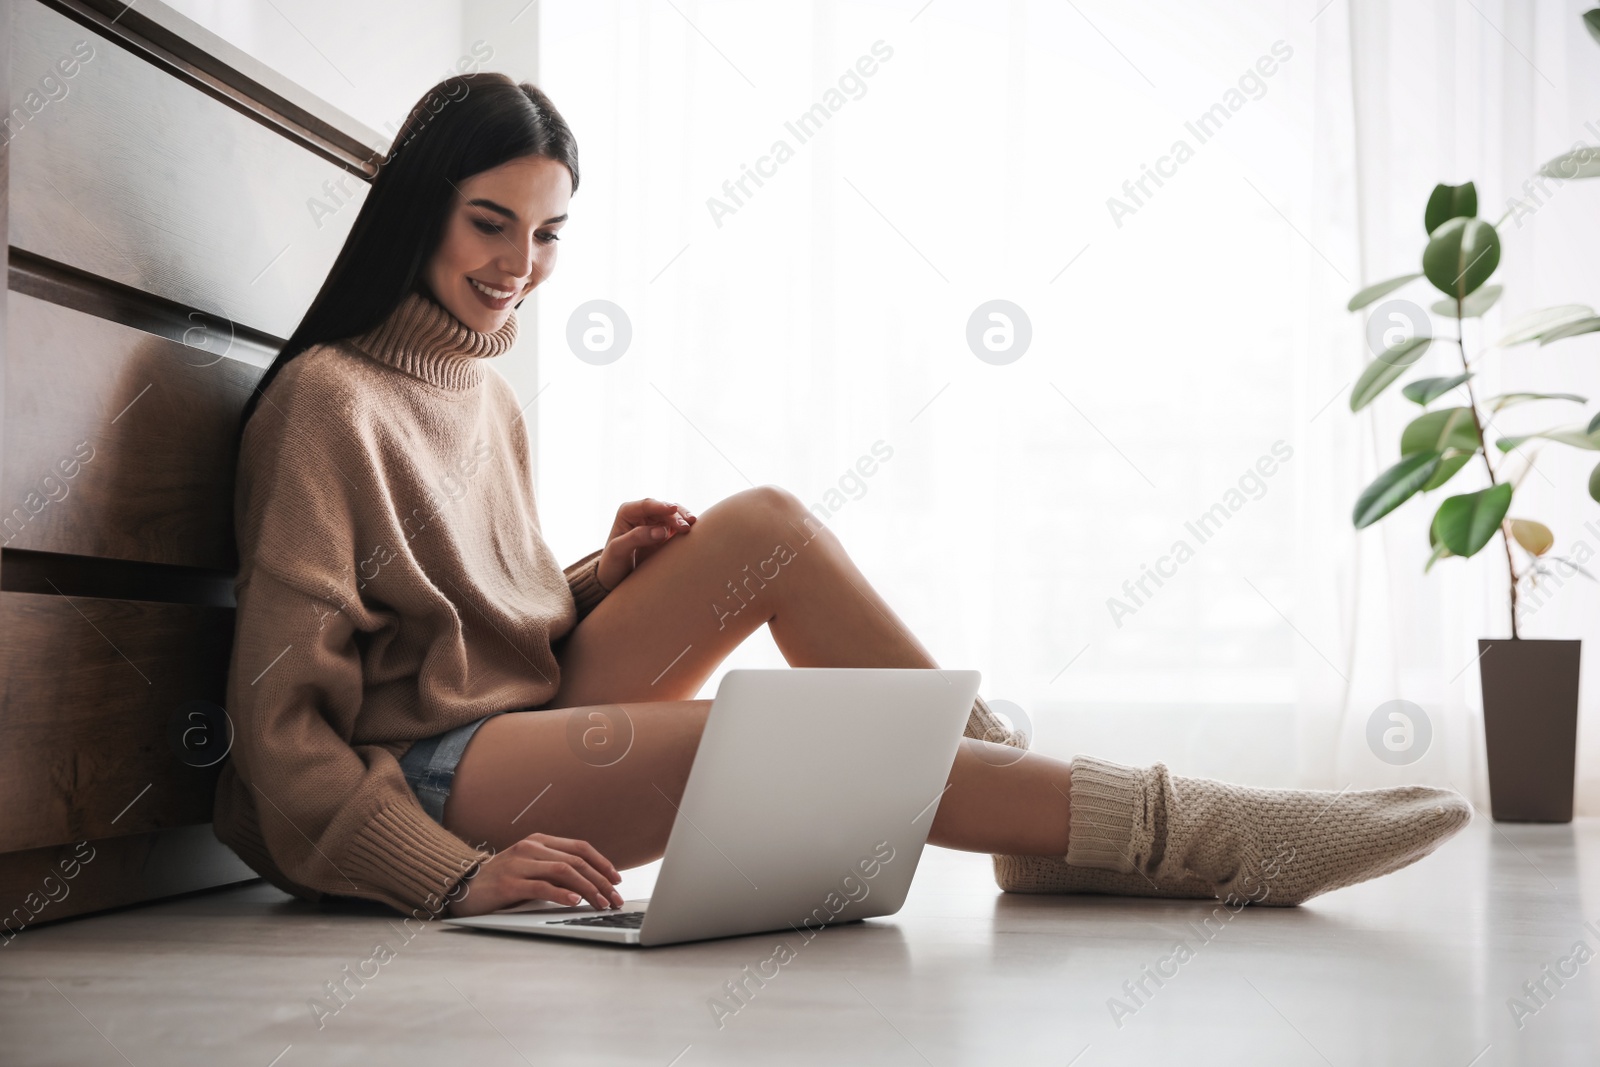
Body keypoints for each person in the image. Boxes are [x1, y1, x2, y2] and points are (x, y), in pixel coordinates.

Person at [214, 73, 1471, 923]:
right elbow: (282, 737)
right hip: (426, 778)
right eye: (491, 224)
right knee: (762, 740)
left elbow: (463, 614)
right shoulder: (328, 402)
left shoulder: (481, 391)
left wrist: (589, 578)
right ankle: (1179, 829)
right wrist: (444, 879)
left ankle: (1027, 814)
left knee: (766, 526)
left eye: (547, 237)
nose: (517, 268)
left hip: (511, 715)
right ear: (413, 212)